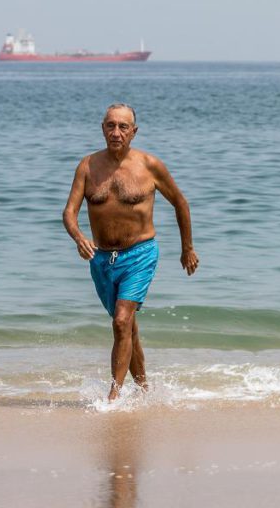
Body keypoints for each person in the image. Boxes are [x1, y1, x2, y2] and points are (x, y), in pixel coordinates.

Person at [62, 103, 199, 402]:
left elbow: (180, 203)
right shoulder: (87, 167)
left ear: (134, 132)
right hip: (101, 260)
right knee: (128, 328)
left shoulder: (149, 165)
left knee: (121, 321)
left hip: (140, 254)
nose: (116, 132)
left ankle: (114, 396)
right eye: (111, 125)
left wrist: (186, 248)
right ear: (102, 128)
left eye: (123, 127)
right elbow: (69, 212)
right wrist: (78, 237)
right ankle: (144, 388)